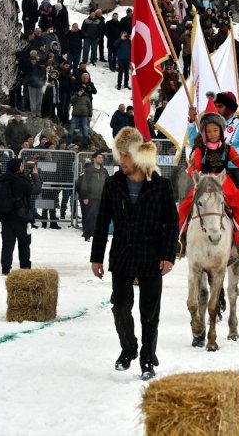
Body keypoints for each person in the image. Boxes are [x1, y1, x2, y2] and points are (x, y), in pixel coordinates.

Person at [90, 127, 179, 381]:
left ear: (138, 155)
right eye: (119, 156)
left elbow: (171, 223)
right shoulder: (113, 183)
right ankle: (128, 348)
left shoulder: (160, 185)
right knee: (120, 307)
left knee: (149, 314)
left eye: (125, 155)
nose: (122, 161)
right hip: (121, 255)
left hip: (151, 256)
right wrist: (97, 257)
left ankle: (148, 358)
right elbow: (101, 222)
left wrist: (168, 255)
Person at [177, 110, 239, 258]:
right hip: (204, 180)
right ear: (204, 133)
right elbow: (195, 168)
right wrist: (193, 167)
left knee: (237, 204)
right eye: (209, 131)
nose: (213, 134)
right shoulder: (201, 149)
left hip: (223, 180)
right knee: (185, 204)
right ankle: (178, 238)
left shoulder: (228, 148)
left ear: (221, 131)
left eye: (215, 130)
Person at [0, 158, 42, 276]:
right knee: (24, 244)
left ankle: (5, 268)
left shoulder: (3, 179)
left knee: (7, 245)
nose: (23, 167)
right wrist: (35, 176)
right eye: (22, 165)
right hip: (21, 218)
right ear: (17, 168)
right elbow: (36, 189)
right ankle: (25, 267)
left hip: (6, 217)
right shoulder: (20, 181)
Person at [80, 152, 109, 242]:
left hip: (102, 198)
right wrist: (85, 197)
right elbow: (84, 184)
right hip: (92, 197)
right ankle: (87, 235)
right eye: (99, 157)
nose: (101, 159)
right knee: (90, 216)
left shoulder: (104, 170)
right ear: (94, 159)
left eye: (102, 158)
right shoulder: (89, 170)